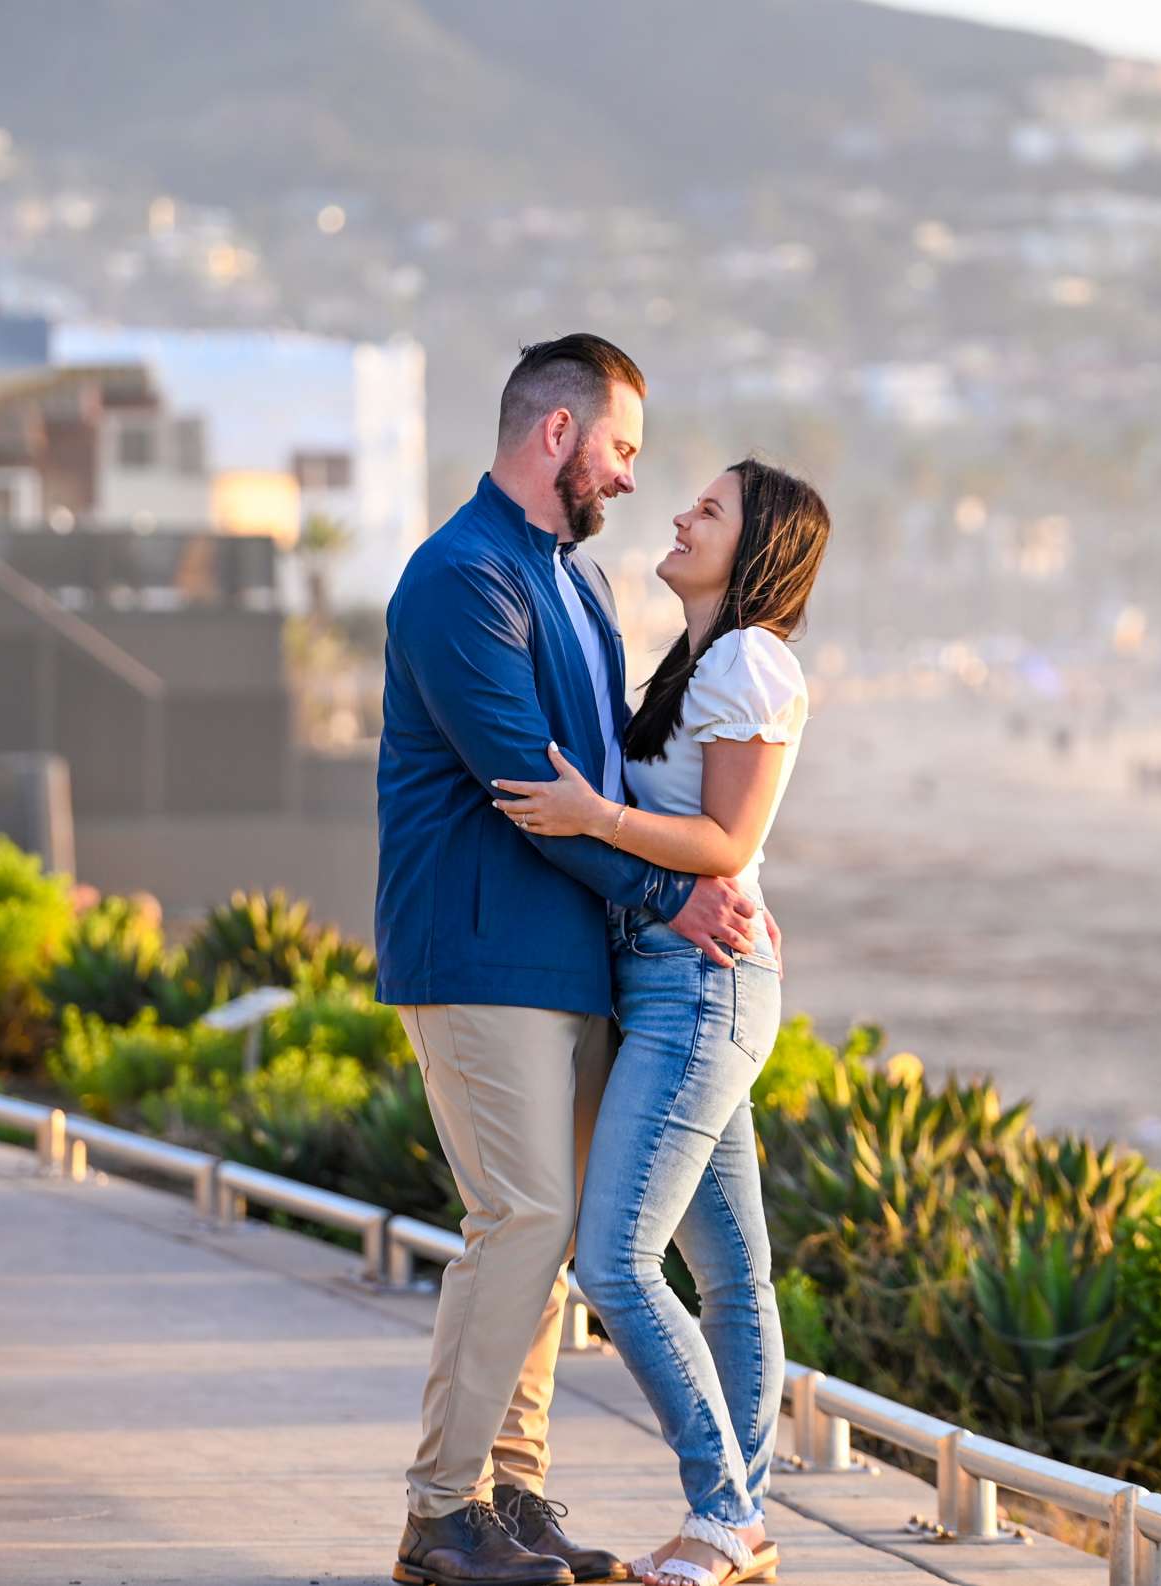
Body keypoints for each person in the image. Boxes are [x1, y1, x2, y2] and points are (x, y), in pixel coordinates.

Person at [377, 335, 765, 1586]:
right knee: (526, 1214)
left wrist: (688, 880)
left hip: (578, 960)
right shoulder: (459, 578)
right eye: (623, 448)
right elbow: (530, 787)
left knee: (551, 1235)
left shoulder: (581, 586)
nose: (633, 478)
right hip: (478, 952)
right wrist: (676, 894)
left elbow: (610, 785)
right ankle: (440, 1513)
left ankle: (514, 1494)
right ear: (558, 435)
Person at [494, 460, 831, 1586]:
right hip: (673, 984)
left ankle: (724, 1507)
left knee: (618, 1260)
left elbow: (729, 842)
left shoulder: (749, 658)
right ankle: (738, 1522)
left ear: (761, 546)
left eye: (711, 509)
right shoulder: (695, 662)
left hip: (701, 986)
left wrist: (596, 815)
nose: (681, 515)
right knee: (731, 1273)